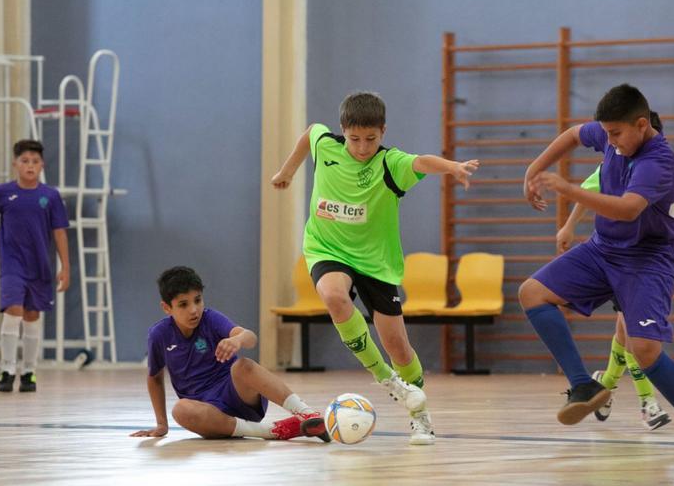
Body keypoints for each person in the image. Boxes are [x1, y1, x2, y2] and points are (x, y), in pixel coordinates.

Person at [519, 84, 674, 455]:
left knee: (643, 350)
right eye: (606, 133)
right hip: (603, 250)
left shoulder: (659, 162)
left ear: (642, 125)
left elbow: (628, 209)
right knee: (532, 292)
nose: (609, 141)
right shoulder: (612, 135)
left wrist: (567, 188)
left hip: (648, 261)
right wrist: (533, 169)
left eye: (616, 134)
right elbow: (572, 134)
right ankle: (583, 385)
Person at [271, 91, 479, 445]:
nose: (363, 147)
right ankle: (386, 379)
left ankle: (420, 415)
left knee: (398, 346)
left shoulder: (388, 164)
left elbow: (421, 162)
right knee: (335, 297)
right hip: (327, 248)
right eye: (354, 139)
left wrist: (451, 167)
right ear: (342, 131)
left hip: (376, 262)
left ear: (383, 132)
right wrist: (287, 170)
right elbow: (309, 133)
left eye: (371, 139)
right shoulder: (327, 146)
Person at [556, 112, 674, 430]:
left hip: (649, 265)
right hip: (616, 260)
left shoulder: (663, 172)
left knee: (628, 334)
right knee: (630, 334)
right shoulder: (615, 163)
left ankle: (605, 384)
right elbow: (588, 192)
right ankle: (647, 401)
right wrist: (568, 226)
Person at [131, 266, 330, 442]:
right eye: (183, 304)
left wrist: (237, 340)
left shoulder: (210, 319)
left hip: (239, 397)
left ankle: (307, 414)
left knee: (244, 365)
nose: (194, 310)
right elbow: (154, 378)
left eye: (197, 300)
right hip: (209, 414)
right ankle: (272, 431)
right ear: (167, 308)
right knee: (181, 410)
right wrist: (161, 425)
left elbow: (250, 337)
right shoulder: (159, 335)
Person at [0, 139, 70, 393]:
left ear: (41, 165)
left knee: (32, 316)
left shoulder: (50, 196)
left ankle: (29, 371)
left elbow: (60, 233)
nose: (29, 165)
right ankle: (7, 369)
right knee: (13, 310)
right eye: (24, 161)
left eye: (34, 161)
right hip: (12, 264)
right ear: (15, 164)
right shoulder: (3, 192)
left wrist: (65, 267)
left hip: (40, 266)